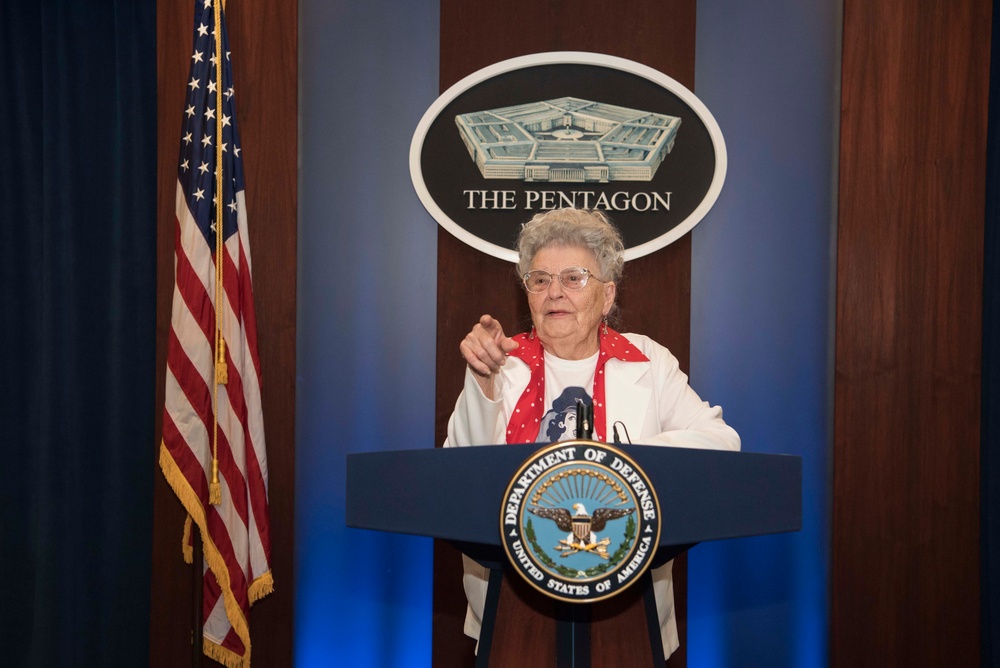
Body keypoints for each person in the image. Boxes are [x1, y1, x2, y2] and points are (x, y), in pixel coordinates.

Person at [444, 207, 740, 659]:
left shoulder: (647, 360)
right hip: (511, 608)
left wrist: (616, 462)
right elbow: (457, 474)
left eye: (574, 278)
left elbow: (721, 444)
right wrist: (482, 382)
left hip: (628, 610)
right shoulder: (500, 362)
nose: (554, 292)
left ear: (606, 295)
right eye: (539, 279)